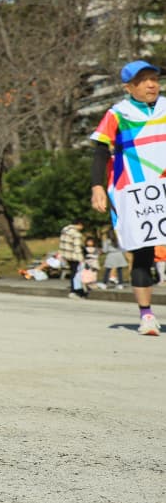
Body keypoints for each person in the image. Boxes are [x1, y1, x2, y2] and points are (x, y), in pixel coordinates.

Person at [89, 60, 163, 336]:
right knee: (142, 254)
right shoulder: (117, 113)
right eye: (143, 80)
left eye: (154, 78)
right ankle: (146, 316)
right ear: (128, 87)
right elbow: (100, 152)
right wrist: (97, 187)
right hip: (135, 192)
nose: (151, 84)